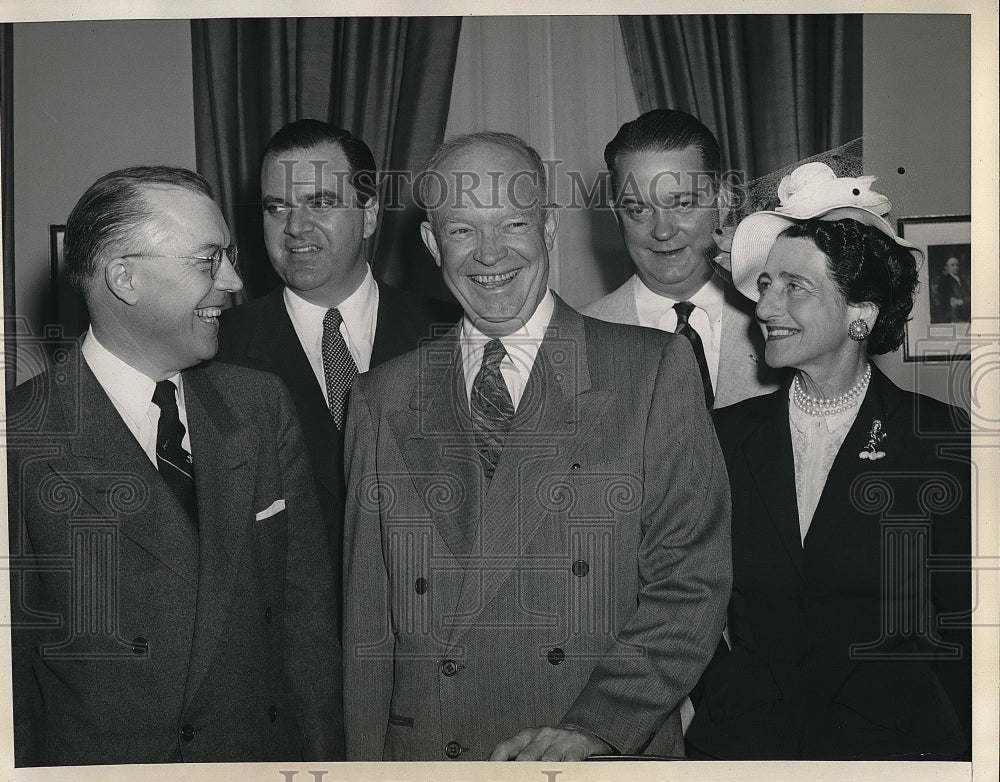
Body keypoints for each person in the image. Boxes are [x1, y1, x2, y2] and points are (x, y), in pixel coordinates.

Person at [341, 131, 731, 762]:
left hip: (598, 751)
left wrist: (597, 727)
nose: (488, 253)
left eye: (513, 223)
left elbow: (691, 584)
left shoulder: (651, 370)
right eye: (462, 229)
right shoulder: (382, 397)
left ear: (549, 229)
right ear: (431, 242)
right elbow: (367, 623)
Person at [6, 166, 342, 765]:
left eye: (229, 256)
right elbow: (14, 692)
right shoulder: (19, 436)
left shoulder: (259, 406)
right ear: (125, 279)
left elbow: (306, 627)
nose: (235, 282)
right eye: (208, 261)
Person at [685, 162, 971, 760]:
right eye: (766, 285)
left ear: (861, 314)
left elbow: (966, 623)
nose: (765, 307)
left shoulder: (939, 438)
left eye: (796, 287)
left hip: (892, 748)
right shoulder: (724, 436)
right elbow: (687, 593)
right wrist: (728, 691)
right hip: (747, 746)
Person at [216, 119, 460, 602]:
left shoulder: (450, 337)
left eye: (320, 202)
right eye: (276, 207)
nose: (295, 228)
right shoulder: (217, 351)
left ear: (369, 214)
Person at [581, 108, 780, 409]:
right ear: (617, 215)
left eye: (683, 204)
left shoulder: (782, 320)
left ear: (723, 202)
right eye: (639, 210)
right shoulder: (578, 338)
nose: (662, 231)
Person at [932, 255, 970, 323]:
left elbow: (967, 293)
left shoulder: (962, 280)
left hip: (964, 309)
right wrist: (950, 301)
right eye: (952, 265)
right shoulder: (944, 279)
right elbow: (941, 296)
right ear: (947, 267)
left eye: (957, 265)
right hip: (952, 312)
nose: (955, 267)